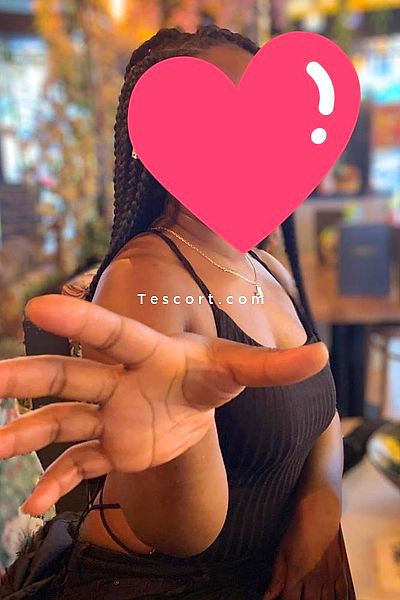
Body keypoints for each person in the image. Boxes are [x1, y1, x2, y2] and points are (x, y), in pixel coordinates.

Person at [0, 25, 355, 600]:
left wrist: (323, 498)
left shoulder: (266, 264)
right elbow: (177, 533)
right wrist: (185, 434)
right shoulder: (146, 280)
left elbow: (322, 404)